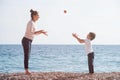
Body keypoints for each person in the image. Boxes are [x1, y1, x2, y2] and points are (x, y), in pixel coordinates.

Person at [22, 9, 48, 75]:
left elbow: (34, 33)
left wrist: (41, 32)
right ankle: (26, 71)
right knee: (26, 55)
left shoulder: (33, 23)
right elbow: (32, 32)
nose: (39, 17)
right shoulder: (30, 23)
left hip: (29, 40)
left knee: (28, 56)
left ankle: (26, 70)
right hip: (26, 40)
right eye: (38, 15)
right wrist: (40, 31)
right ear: (34, 15)